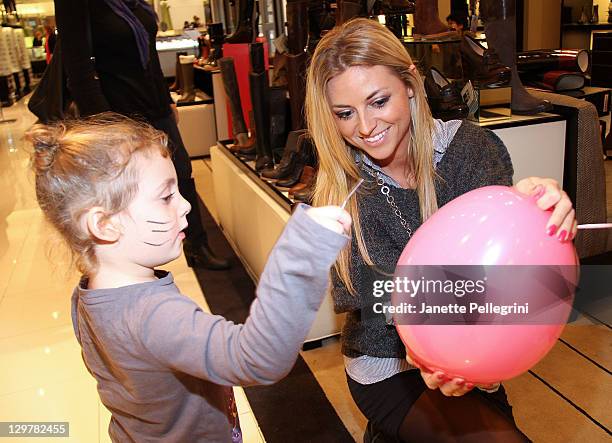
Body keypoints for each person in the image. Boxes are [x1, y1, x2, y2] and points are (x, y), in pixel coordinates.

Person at [305, 19, 577, 442]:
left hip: (473, 350)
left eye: (378, 101)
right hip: (386, 362)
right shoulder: (340, 194)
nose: (364, 126)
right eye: (345, 113)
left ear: (410, 85)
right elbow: (373, 302)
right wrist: (429, 349)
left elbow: (500, 275)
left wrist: (535, 213)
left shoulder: (471, 149)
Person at [27, 113, 351, 442]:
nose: (184, 206)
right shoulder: (154, 315)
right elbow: (257, 358)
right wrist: (301, 255)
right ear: (105, 225)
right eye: (165, 197)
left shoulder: (88, 295)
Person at [53, 0, 229, 270]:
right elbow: (78, 72)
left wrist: (167, 97)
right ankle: (137, 260)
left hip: (154, 105)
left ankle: (197, 245)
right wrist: (108, 128)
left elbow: (150, 55)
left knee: (181, 172)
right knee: (131, 190)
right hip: (117, 113)